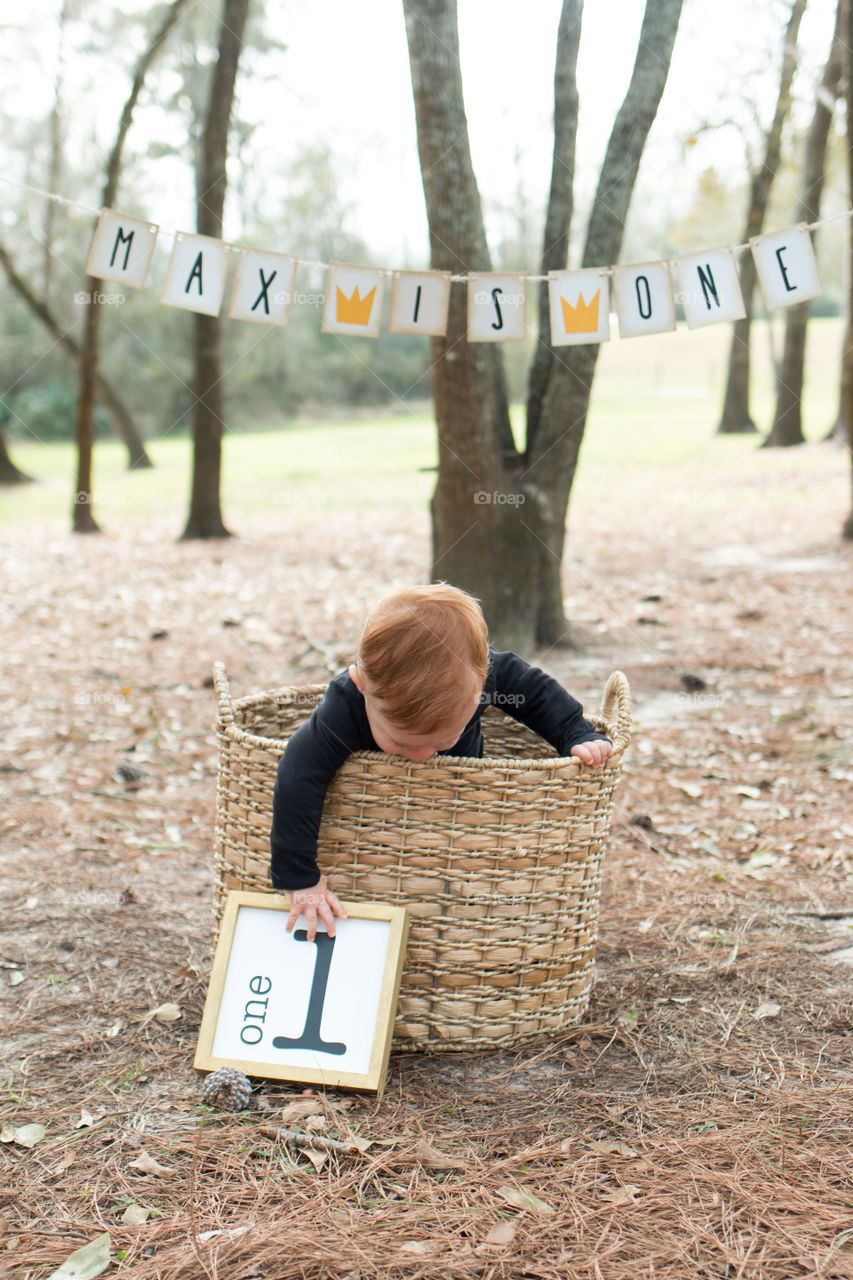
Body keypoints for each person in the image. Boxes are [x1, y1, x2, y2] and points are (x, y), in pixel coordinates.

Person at [270, 584, 612, 940]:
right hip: (376, 826)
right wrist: (298, 877)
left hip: (459, 806)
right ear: (362, 685)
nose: (424, 755)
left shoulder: (481, 676)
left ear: (483, 683)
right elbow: (299, 774)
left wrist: (575, 733)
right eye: (400, 741)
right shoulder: (345, 704)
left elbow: (537, 693)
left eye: (444, 739)